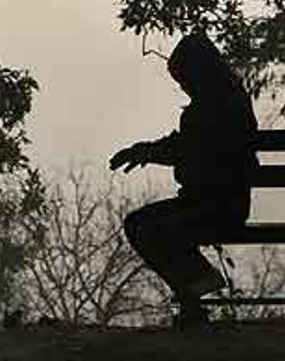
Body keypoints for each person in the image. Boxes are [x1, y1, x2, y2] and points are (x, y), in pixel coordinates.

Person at [109, 32, 259, 328]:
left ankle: (196, 291)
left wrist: (147, 153)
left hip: (216, 208)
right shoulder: (227, 103)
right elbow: (187, 148)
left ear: (199, 74)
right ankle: (196, 289)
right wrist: (146, 152)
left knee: (148, 229)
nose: (183, 87)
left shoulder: (216, 109)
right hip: (215, 204)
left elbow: (190, 151)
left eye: (184, 80)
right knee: (140, 225)